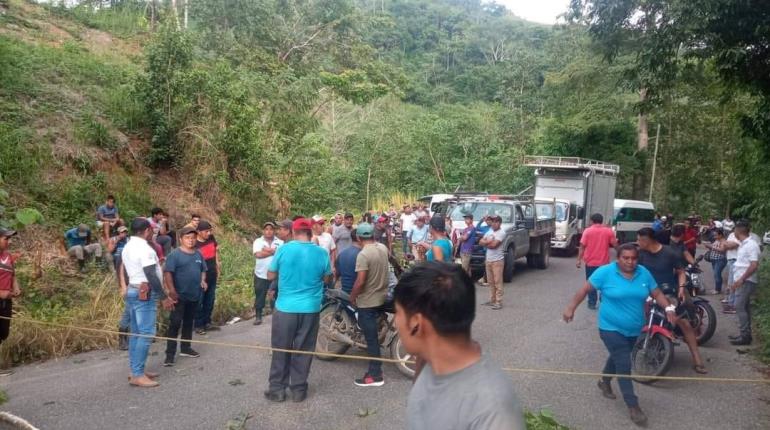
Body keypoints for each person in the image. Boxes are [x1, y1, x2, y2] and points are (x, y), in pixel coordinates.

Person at [396, 262, 525, 429]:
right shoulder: (428, 361)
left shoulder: (493, 411)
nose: (394, 322)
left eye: (397, 313)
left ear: (416, 324)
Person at [563, 243, 676, 427]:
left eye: (634, 258)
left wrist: (669, 307)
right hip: (610, 327)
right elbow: (584, 290)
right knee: (624, 362)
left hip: (634, 329)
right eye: (626, 258)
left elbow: (656, 293)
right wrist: (570, 308)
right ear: (618, 258)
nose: (630, 262)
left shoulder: (643, 273)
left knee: (618, 358)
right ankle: (633, 405)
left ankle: (604, 381)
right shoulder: (605, 273)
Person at [264, 218, 332, 403]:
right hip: (310, 309)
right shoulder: (321, 253)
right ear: (311, 233)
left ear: (293, 232)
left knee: (281, 348)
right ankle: (299, 390)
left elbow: (270, 274)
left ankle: (277, 390)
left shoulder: (283, 250)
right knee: (304, 349)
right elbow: (327, 278)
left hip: (285, 308)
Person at [636, 228, 707, 374]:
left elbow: (681, 272)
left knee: (685, 324)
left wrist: (681, 288)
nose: (637, 242)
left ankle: (697, 359)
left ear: (646, 240)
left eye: (639, 240)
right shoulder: (641, 254)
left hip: (668, 294)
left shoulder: (670, 253)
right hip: (647, 294)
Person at [120, 217, 175, 388]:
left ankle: (136, 370)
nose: (153, 232)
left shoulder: (128, 246)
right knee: (146, 333)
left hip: (134, 290)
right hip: (145, 292)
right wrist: (164, 297)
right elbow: (151, 274)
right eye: (152, 230)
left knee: (137, 333)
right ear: (147, 231)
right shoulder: (145, 249)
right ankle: (137, 374)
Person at [348, 223, 390, 387]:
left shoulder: (363, 255)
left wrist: (352, 297)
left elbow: (360, 281)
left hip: (368, 301)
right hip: (382, 296)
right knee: (373, 337)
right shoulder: (382, 248)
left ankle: (375, 375)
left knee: (371, 339)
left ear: (358, 238)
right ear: (373, 235)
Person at [163, 226, 208, 366]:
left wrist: (202, 280)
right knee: (175, 324)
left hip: (194, 295)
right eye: (188, 238)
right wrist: (171, 290)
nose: (191, 240)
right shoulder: (174, 255)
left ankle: (186, 348)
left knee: (189, 322)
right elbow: (168, 273)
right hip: (179, 296)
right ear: (181, 239)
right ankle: (169, 355)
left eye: (193, 238)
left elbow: (203, 269)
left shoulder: (198, 254)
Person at [728, 223, 761, 345]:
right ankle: (745, 335)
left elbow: (754, 265)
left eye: (734, 230)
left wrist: (741, 279)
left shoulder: (751, 245)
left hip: (746, 280)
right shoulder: (744, 244)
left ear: (738, 231)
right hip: (742, 279)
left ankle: (745, 336)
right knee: (744, 307)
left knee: (739, 306)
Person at [576, 213, 618, 310]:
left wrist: (578, 260)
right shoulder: (608, 231)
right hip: (604, 263)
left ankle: (592, 303)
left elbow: (582, 247)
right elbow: (615, 245)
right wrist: (621, 256)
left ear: (591, 221)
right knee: (605, 282)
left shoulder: (587, 231)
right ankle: (603, 301)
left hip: (590, 263)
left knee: (591, 283)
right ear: (601, 221)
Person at [253, 221, 283, 325]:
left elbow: (281, 255)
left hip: (276, 274)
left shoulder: (280, 242)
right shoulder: (258, 241)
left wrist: (266, 250)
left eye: (271, 229)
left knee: (276, 295)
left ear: (274, 231)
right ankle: (258, 316)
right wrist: (273, 251)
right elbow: (258, 254)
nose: (269, 231)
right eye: (266, 229)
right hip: (260, 274)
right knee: (259, 295)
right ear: (263, 230)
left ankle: (277, 316)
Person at [0, 228, 21, 376]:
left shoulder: (7, 256)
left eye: (10, 239)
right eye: (6, 239)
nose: (9, 242)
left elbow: (12, 275)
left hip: (6, 302)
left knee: (3, 332)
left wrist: (16, 287)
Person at [194, 220, 221, 335]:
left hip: (212, 274)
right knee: (199, 301)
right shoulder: (194, 244)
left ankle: (207, 322)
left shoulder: (211, 238)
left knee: (210, 300)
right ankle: (199, 325)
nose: (209, 233)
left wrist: (217, 266)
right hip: (200, 278)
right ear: (198, 232)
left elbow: (215, 253)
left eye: (210, 231)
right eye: (206, 231)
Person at [107, 226, 131, 350]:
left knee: (133, 312)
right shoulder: (114, 240)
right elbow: (110, 251)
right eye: (122, 232)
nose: (124, 234)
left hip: (135, 282)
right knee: (128, 311)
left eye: (125, 232)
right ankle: (122, 339)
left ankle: (133, 337)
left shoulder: (130, 243)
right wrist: (122, 285)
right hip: (126, 282)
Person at [479, 215, 505, 310]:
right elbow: (480, 241)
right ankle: (492, 299)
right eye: (492, 221)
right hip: (489, 260)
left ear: (499, 223)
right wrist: (488, 242)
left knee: (497, 281)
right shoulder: (489, 231)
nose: (493, 223)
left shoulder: (501, 233)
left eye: (496, 222)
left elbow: (494, 245)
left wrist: (486, 243)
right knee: (490, 281)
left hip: (497, 261)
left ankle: (498, 301)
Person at [335, 229, 362, 295]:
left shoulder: (342, 254)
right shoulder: (362, 255)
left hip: (344, 293)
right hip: (358, 295)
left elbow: (337, 273)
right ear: (359, 239)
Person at [311, 215, 337, 280]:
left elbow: (333, 251)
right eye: (321, 224)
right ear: (314, 226)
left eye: (323, 224)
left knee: (330, 288)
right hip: (315, 271)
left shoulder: (328, 236)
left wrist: (333, 266)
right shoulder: (309, 238)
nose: (323, 226)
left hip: (328, 270)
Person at [704, 228, 727, 294]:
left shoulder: (723, 241)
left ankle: (718, 289)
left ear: (721, 235)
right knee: (716, 274)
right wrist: (708, 246)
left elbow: (722, 250)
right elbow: (714, 247)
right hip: (714, 260)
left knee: (717, 274)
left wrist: (711, 247)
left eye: (716, 235)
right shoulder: (717, 240)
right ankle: (717, 288)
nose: (715, 236)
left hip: (720, 260)